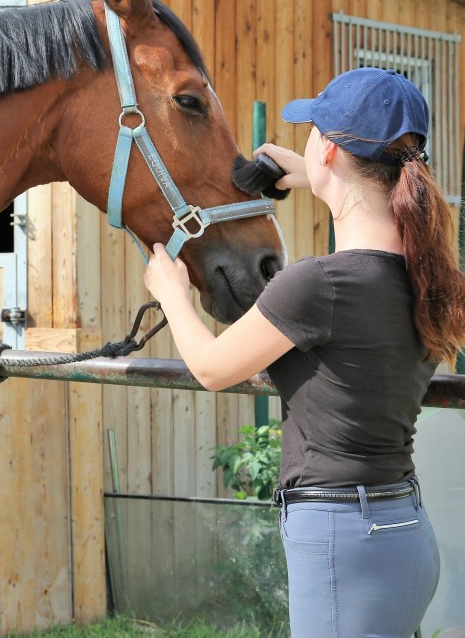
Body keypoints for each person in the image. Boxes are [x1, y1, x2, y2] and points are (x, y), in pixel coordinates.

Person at [144, 67, 465, 637]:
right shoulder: (425, 277)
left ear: (331, 151)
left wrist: (172, 295)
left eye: (314, 131)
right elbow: (369, 239)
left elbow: (212, 368)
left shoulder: (317, 286)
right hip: (404, 533)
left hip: (345, 542)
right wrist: (319, 174)